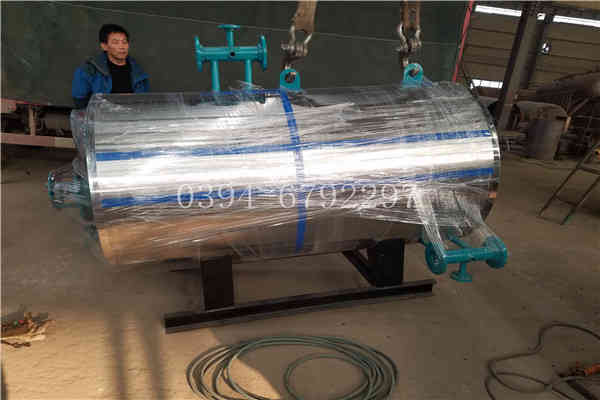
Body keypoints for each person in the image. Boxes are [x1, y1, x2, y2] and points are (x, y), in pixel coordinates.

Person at [72, 24, 149, 108]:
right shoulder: (89, 70)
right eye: (115, 42)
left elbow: (143, 102)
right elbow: (80, 102)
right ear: (104, 46)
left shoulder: (138, 72)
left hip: (131, 114)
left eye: (124, 42)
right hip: (101, 115)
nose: (122, 47)